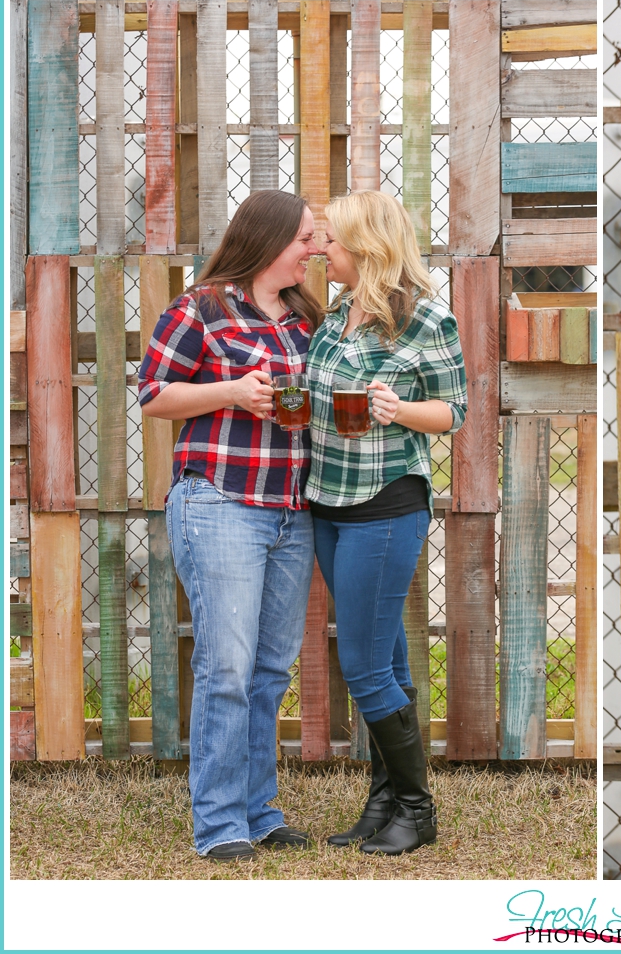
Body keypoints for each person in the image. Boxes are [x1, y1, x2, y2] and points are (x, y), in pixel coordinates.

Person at [138, 190, 323, 861]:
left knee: (270, 669)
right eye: (307, 238)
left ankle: (259, 810)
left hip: (291, 511)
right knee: (227, 666)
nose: (316, 250)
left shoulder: (305, 317)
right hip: (220, 503)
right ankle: (220, 826)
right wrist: (232, 392)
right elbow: (154, 393)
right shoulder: (202, 309)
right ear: (270, 240)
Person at [306, 191, 467, 855]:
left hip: (385, 503)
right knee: (389, 660)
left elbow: (452, 413)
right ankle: (384, 800)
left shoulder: (426, 318)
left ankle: (418, 811)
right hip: (328, 500)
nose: (321, 252)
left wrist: (400, 408)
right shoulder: (338, 313)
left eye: (331, 243)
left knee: (365, 664)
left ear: (366, 249)